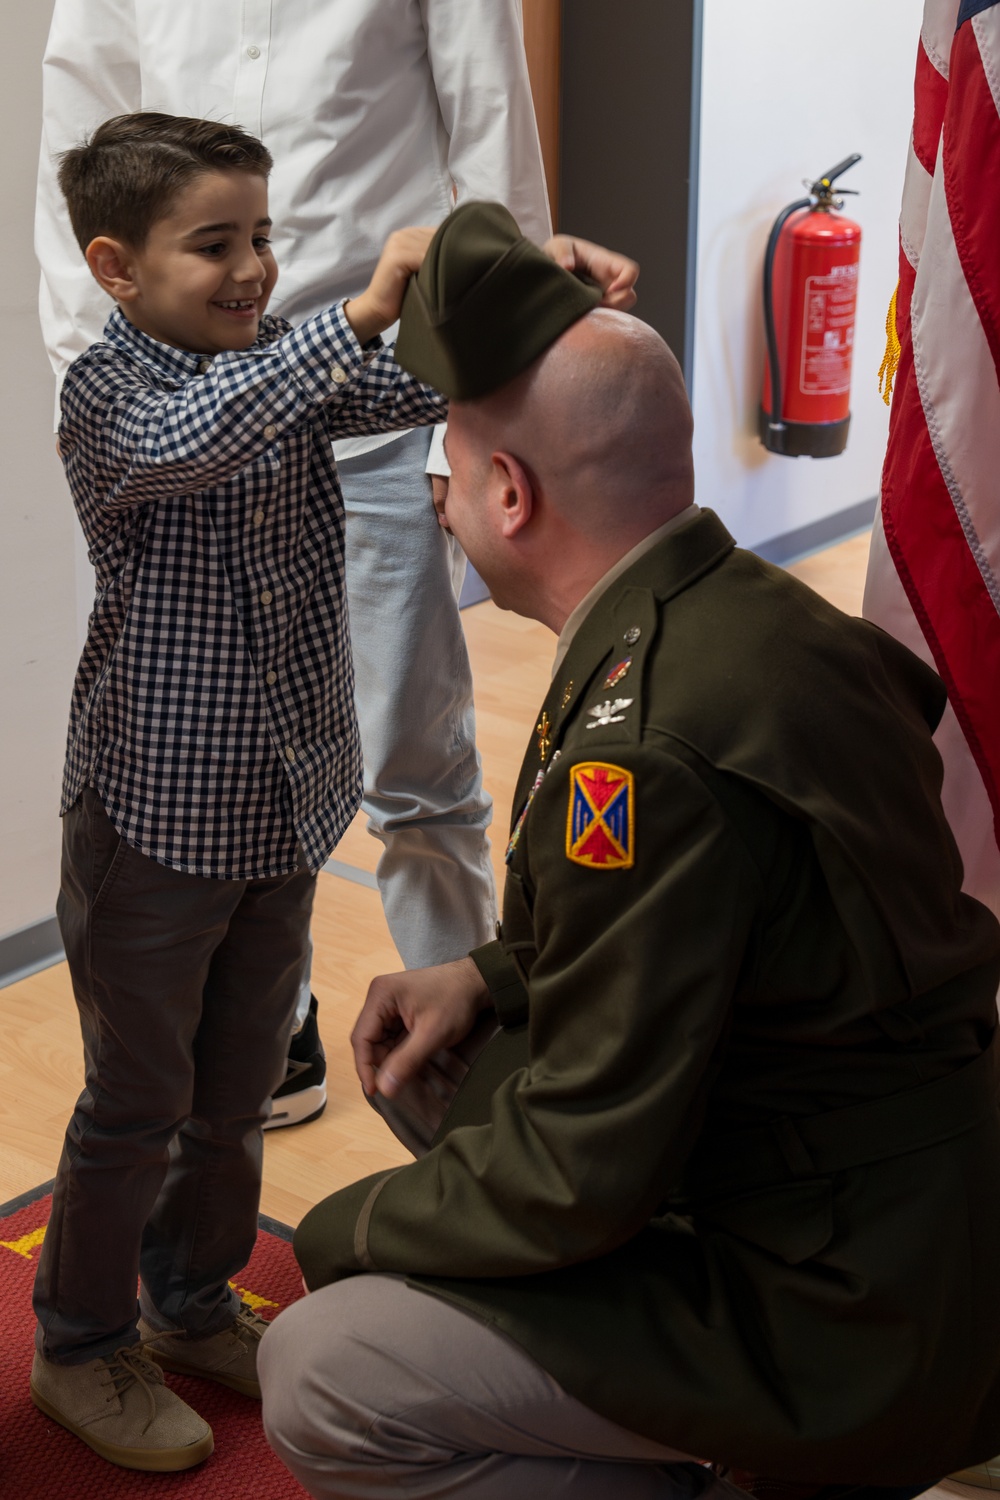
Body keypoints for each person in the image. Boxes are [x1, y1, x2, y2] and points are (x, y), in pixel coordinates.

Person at [259, 207, 1000, 1499]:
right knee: (459, 1058)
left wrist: (351, 1229)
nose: (437, 503)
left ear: (509, 492)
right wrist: (490, 977)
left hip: (838, 1302)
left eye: (446, 470)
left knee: (327, 1363)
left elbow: (572, 1173)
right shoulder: (747, 616)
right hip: (912, 1206)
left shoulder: (640, 746)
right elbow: (732, 923)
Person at [36, 0, 553, 1129]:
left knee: (415, 765)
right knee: (223, 747)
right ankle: (272, 1035)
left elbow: (491, 123)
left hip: (368, 397)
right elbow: (73, 130)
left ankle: (465, 1068)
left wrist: (479, 412)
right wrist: (115, 411)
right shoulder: (129, 398)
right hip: (181, 406)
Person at [29, 109, 457, 1474]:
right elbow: (198, 436)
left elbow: (401, 387)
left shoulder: (269, 357)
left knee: (235, 1092)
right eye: (214, 243)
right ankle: (79, 1345)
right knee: (135, 1104)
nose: (255, 268)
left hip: (280, 807)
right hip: (155, 822)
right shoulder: (116, 397)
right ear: (114, 265)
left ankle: (191, 1298)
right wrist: (356, 314)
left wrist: (503, 288)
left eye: (263, 236)